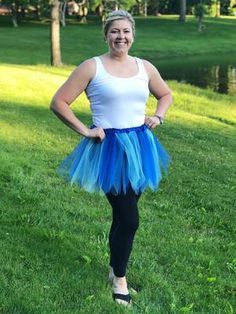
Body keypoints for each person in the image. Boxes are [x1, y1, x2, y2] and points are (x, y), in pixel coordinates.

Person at [50, 10, 172, 307]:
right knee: (129, 219)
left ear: (133, 35)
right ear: (106, 35)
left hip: (141, 146)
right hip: (110, 149)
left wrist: (158, 116)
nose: (121, 37)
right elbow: (59, 102)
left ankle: (113, 265)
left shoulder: (144, 67)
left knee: (124, 216)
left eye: (126, 31)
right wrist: (85, 131)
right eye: (115, 31)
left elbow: (165, 94)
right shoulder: (92, 67)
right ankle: (120, 279)